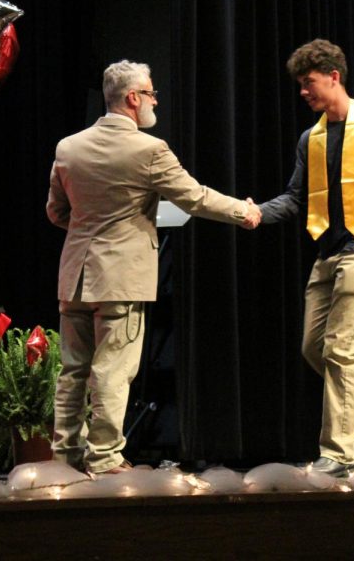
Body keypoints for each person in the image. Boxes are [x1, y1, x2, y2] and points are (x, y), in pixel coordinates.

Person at [47, 60, 261, 475]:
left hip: (75, 275)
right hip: (121, 278)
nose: (154, 100)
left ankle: (64, 456)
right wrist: (243, 212)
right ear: (132, 98)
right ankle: (105, 457)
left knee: (73, 372)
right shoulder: (149, 150)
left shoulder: (68, 147)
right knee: (112, 370)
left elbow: (57, 212)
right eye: (150, 93)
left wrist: (91, 228)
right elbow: (194, 198)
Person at [255, 39, 354, 477]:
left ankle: (338, 454)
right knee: (314, 347)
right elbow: (294, 197)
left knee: (341, 349)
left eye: (309, 84)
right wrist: (254, 213)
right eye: (300, 86)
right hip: (327, 254)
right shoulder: (311, 138)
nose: (304, 93)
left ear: (333, 77)